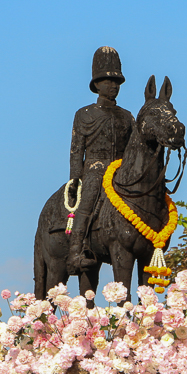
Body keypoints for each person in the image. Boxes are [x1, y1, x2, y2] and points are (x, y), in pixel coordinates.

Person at [66, 46, 135, 275]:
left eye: (116, 82)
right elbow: (77, 150)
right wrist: (75, 179)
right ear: (96, 84)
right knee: (88, 199)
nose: (113, 86)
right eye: (107, 81)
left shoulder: (127, 116)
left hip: (121, 170)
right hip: (95, 169)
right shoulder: (84, 114)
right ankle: (75, 252)